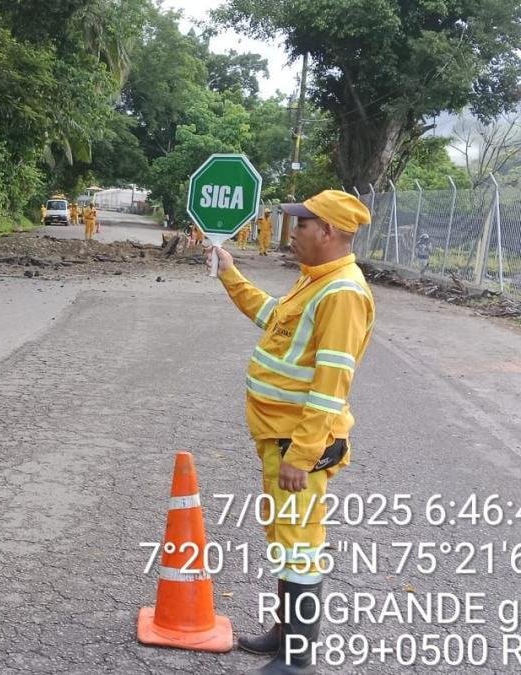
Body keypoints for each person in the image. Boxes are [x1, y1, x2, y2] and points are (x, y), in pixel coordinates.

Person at [205, 190, 375, 674]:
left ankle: (297, 660)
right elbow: (270, 317)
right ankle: (284, 634)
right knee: (284, 540)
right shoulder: (314, 282)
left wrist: (302, 455)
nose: (293, 232)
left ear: (329, 232)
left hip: (297, 446)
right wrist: (230, 275)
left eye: (302, 224)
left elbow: (330, 385)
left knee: (300, 547)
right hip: (278, 441)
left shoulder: (342, 293)